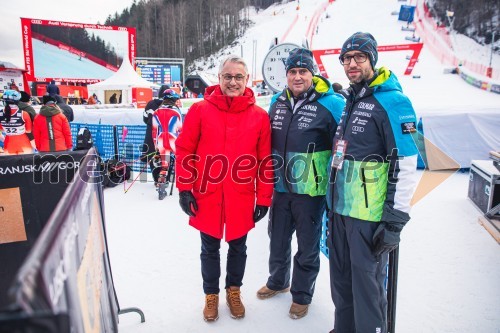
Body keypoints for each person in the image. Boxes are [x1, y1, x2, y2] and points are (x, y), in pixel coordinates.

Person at [327, 32, 419, 333]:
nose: (352, 63)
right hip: (342, 211)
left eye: (359, 57)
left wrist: (395, 222)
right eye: (347, 58)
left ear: (372, 59)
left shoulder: (392, 100)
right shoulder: (351, 99)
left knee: (367, 285)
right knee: (341, 280)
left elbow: (406, 163)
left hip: (369, 217)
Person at [175, 55, 273, 322]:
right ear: (219, 78)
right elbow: (185, 150)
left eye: (238, 77)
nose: (233, 82)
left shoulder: (259, 117)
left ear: (246, 80)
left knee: (238, 247)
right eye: (227, 76)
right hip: (207, 194)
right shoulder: (199, 110)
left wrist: (263, 198)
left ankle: (234, 291)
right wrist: (184, 188)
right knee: (209, 247)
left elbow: (265, 161)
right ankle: (211, 295)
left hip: (240, 196)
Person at [257, 48, 345, 319]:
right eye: (292, 72)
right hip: (281, 186)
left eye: (303, 71)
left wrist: (335, 184)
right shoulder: (277, 101)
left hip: (311, 190)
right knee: (278, 238)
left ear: (312, 74)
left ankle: (302, 294)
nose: (297, 77)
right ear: (286, 75)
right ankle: (278, 281)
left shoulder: (332, 103)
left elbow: (341, 146)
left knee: (307, 244)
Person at [151, 89, 183, 199]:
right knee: (181, 161)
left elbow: (154, 130)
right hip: (173, 139)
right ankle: (185, 185)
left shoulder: (156, 112)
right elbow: (180, 129)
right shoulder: (176, 111)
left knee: (164, 165)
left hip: (161, 139)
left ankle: (161, 186)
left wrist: (156, 144)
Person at [141, 84, 171, 184]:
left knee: (153, 156)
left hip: (151, 135)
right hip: (166, 135)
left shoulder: (150, 104)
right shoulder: (171, 105)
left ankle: (156, 179)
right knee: (166, 157)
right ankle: (164, 179)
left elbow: (145, 119)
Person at [0, 90, 35, 154]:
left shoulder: (1, 113)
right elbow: (29, 130)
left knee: (11, 163)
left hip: (8, 143)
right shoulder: (23, 114)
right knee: (26, 163)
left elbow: (1, 129)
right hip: (23, 143)